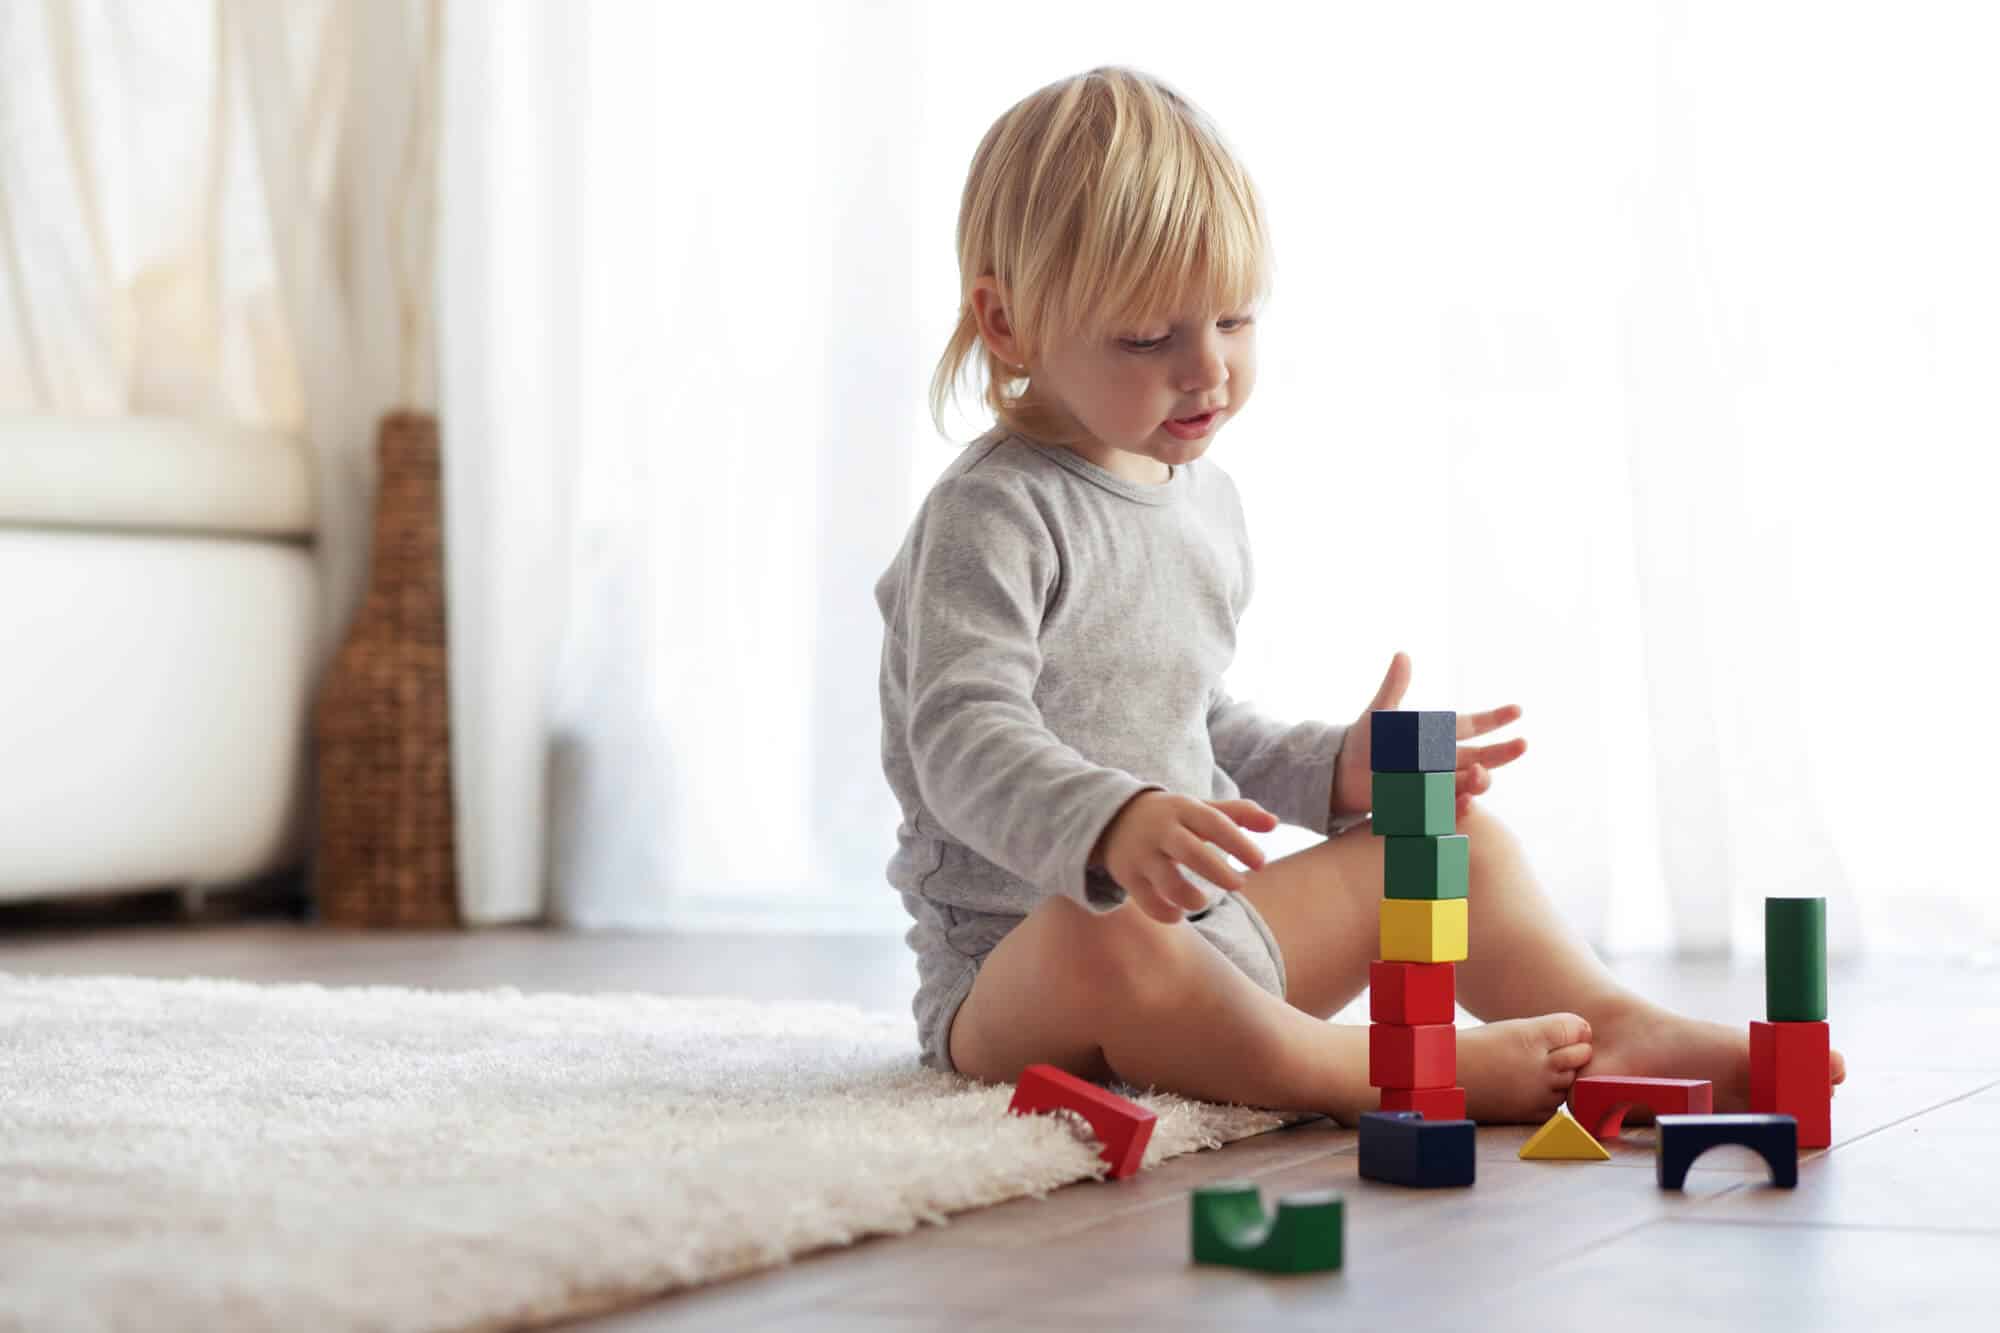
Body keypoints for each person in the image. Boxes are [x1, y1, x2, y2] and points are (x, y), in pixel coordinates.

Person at [873, 65, 1844, 1122]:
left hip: (1212, 937)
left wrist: (1332, 767)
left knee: (1453, 848)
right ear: (1007, 326)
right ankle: (1373, 1072)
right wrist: (1112, 824)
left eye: (1233, 322)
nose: (1206, 371)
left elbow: (1196, 721)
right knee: (1101, 926)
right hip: (1024, 979)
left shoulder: (1202, 502)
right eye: (1148, 338)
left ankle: (1607, 1023)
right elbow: (959, 738)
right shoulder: (992, 515)